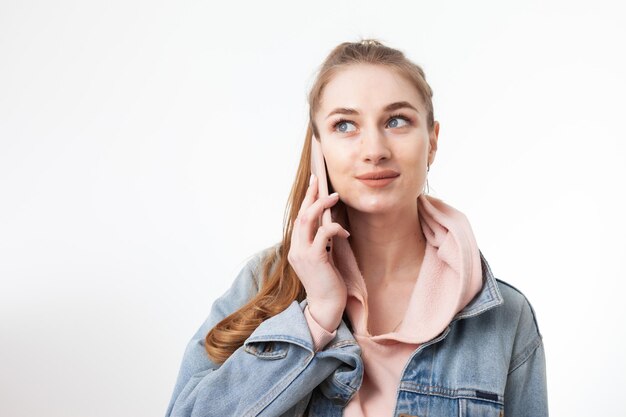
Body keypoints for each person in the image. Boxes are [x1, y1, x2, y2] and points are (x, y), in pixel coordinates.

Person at [165, 39, 548, 417]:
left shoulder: (504, 315)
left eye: (396, 121)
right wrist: (317, 318)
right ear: (319, 149)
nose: (374, 149)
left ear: (431, 141)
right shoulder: (264, 283)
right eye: (345, 125)